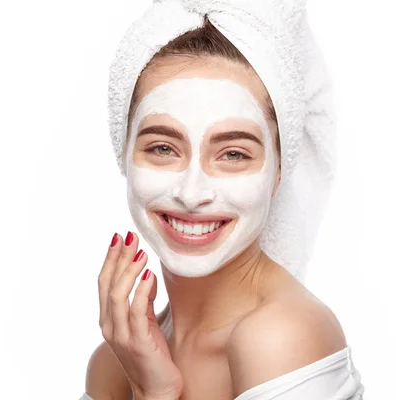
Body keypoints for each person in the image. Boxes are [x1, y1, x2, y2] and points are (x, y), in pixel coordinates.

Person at [81, 1, 364, 399]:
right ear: (123, 152)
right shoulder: (119, 360)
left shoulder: (281, 337)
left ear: (278, 171)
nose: (192, 193)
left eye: (234, 154)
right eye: (163, 148)